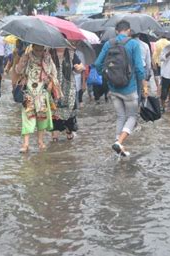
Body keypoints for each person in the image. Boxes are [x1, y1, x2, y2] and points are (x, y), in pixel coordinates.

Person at [95, 20, 147, 157]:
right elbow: (139, 68)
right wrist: (143, 83)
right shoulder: (133, 44)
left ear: (117, 31)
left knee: (120, 116)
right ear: (129, 30)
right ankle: (119, 142)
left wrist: (107, 77)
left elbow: (98, 63)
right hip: (129, 88)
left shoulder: (108, 44)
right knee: (133, 117)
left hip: (113, 88)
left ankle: (118, 147)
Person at [15, 44, 60, 153]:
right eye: (36, 49)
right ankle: (25, 144)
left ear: (44, 49)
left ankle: (40, 141)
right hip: (28, 92)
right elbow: (18, 71)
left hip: (42, 93)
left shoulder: (48, 59)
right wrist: (22, 62)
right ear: (33, 48)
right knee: (27, 117)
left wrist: (51, 82)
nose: (39, 52)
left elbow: (54, 73)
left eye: (41, 50)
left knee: (42, 118)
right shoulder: (26, 57)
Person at [50, 47, 84, 142]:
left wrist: (79, 67)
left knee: (69, 110)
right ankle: (54, 135)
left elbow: (80, 67)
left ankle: (69, 131)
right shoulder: (49, 53)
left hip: (69, 88)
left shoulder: (71, 54)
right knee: (54, 110)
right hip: (54, 87)